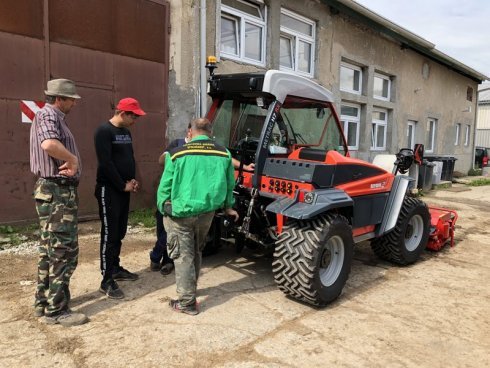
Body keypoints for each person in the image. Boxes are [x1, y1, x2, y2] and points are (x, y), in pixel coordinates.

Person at [157, 117, 239, 315]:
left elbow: (165, 187)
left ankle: (186, 303)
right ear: (210, 133)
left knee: (183, 255)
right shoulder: (224, 154)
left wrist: (163, 207)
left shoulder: (176, 155)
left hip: (181, 213)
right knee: (196, 249)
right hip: (207, 214)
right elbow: (230, 184)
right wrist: (229, 207)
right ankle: (191, 289)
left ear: (190, 133)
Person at [150, 125, 254, 275]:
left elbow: (227, 160)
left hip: (182, 205)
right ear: (190, 132)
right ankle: (156, 258)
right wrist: (227, 206)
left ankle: (171, 269)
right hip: (186, 204)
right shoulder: (177, 146)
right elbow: (229, 179)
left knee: (182, 247)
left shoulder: (204, 150)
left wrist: (244, 166)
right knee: (174, 239)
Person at [29, 78, 88, 327]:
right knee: (63, 252)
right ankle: (57, 310)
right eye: (71, 99)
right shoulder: (48, 115)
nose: (74, 103)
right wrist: (72, 159)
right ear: (59, 99)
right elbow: (49, 144)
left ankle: (43, 303)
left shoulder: (52, 117)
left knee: (50, 250)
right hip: (57, 192)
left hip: (56, 192)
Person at [94, 97, 146, 299]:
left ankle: (115, 268)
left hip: (124, 189)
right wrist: (121, 184)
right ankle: (106, 280)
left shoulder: (126, 132)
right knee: (110, 234)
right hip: (109, 190)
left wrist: (131, 180)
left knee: (120, 231)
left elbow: (127, 158)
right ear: (123, 113)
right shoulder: (103, 131)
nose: (136, 120)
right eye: (134, 116)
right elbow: (106, 163)